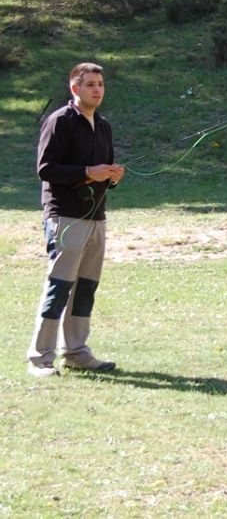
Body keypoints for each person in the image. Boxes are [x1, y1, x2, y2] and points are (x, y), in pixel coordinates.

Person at [27, 62, 125, 377]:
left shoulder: (104, 125)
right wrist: (86, 173)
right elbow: (46, 169)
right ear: (75, 89)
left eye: (100, 84)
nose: (97, 90)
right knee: (59, 286)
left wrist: (112, 176)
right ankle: (40, 359)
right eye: (90, 85)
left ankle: (76, 352)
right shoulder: (59, 122)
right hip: (65, 217)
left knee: (85, 288)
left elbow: (103, 170)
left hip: (96, 217)